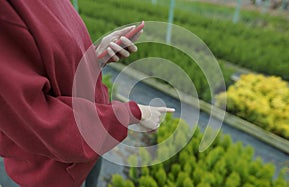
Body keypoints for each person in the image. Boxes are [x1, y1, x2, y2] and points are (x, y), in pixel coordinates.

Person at [0, 1, 174, 187]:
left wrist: (95, 57)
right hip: (48, 172)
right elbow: (38, 118)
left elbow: (56, 68)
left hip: (84, 155)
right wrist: (131, 114)